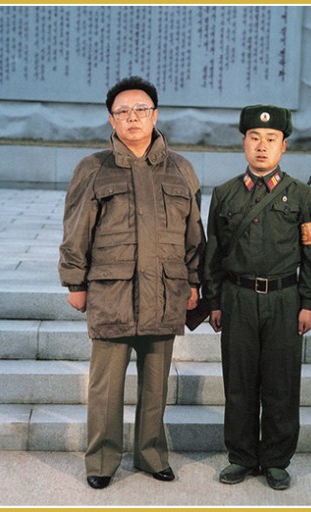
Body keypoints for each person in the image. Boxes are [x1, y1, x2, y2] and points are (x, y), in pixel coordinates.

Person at [58, 76, 205, 489]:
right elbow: (76, 231)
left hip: (165, 291)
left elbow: (195, 234)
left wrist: (195, 281)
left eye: (141, 109)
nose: (133, 117)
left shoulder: (181, 168)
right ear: (111, 119)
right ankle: (102, 461)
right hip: (113, 292)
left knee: (156, 384)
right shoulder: (93, 168)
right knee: (106, 386)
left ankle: (151, 454)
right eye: (122, 111)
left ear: (155, 115)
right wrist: (74, 282)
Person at [204, 104, 311, 490]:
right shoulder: (224, 194)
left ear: (283, 145)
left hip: (284, 300)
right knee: (238, 382)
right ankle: (240, 457)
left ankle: (275, 460)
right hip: (237, 298)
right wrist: (214, 301)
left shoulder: (301, 195)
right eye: (254, 138)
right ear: (243, 142)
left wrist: (308, 303)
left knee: (281, 383)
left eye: (271, 139)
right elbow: (213, 253)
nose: (262, 146)